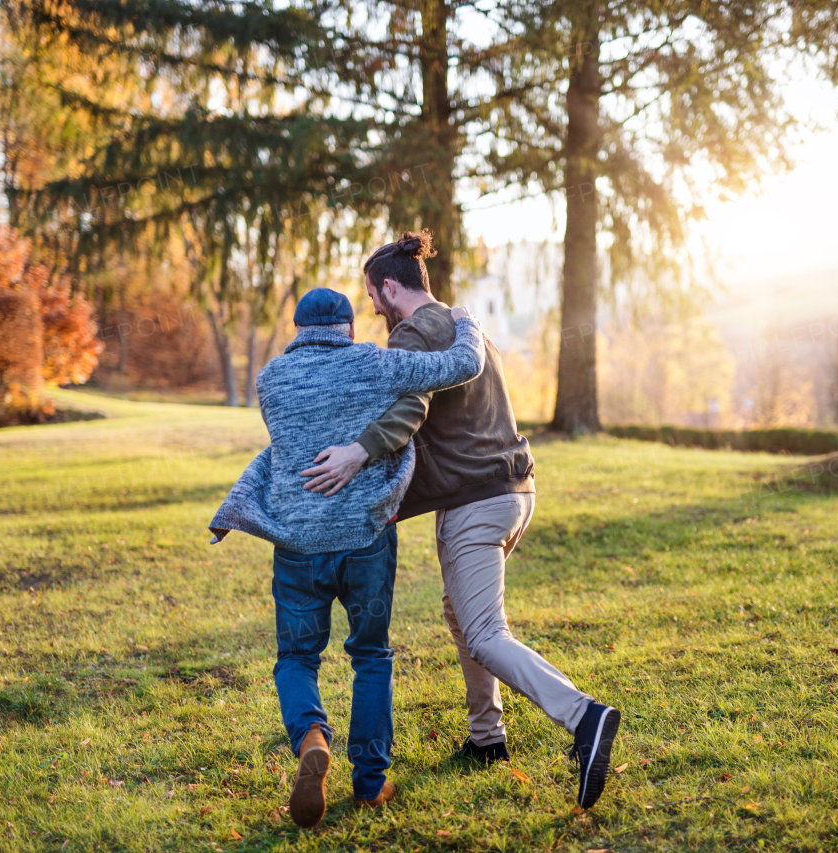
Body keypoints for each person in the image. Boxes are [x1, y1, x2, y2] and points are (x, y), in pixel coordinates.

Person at [301, 231, 621, 810]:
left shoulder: (414, 332)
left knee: (483, 633)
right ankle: (487, 738)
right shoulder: (463, 325)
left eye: (374, 295)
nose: (372, 308)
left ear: (391, 286)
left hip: (477, 503)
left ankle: (584, 717)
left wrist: (357, 452)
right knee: (463, 614)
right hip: (515, 490)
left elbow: (410, 405)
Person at [207, 286, 486, 829]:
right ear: (349, 329)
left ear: (297, 329)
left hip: (296, 544)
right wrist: (465, 319)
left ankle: (312, 734)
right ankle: (370, 782)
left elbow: (290, 442)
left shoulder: (270, 379)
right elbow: (464, 364)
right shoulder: (375, 364)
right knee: (371, 656)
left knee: (296, 658)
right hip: (364, 537)